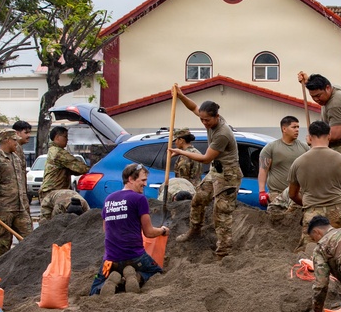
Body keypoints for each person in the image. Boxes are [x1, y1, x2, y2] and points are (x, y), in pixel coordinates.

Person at [167, 87, 241, 259]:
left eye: (207, 120)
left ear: (216, 116)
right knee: (199, 198)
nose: (204, 123)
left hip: (229, 174)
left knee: (221, 212)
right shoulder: (208, 117)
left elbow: (206, 158)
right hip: (216, 170)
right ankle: (195, 230)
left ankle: (223, 251)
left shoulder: (222, 133)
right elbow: (193, 107)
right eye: (202, 120)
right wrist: (181, 96)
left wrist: (180, 152)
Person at [90, 163, 170, 296]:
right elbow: (149, 233)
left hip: (110, 260)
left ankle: (113, 280)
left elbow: (106, 229)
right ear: (131, 179)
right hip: (135, 257)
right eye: (143, 180)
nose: (145, 184)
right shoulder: (139, 199)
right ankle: (137, 277)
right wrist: (162, 230)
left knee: (95, 287)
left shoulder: (109, 199)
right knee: (156, 272)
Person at [288, 120, 341, 242]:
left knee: (311, 254)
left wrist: (307, 203)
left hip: (313, 215)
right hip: (339, 212)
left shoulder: (298, 163)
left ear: (309, 137)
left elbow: (292, 194)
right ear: (329, 135)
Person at [0, 129, 33, 260]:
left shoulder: (16, 158)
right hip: (3, 210)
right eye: (15, 140)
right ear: (7, 140)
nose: (17, 143)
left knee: (30, 239)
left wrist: (25, 203)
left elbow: (21, 183)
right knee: (2, 245)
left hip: (20, 208)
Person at [298, 72, 341, 168]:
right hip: (336, 147)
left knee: (337, 181)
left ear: (327, 88)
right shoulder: (335, 88)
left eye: (318, 95)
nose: (316, 99)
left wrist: (315, 140)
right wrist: (307, 81)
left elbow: (335, 135)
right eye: (313, 96)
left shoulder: (335, 105)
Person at [257, 115, 308, 217]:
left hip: (297, 196)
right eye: (294, 127)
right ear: (284, 129)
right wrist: (262, 192)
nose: (297, 130)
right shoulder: (271, 148)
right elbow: (263, 170)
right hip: (277, 195)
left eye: (298, 127)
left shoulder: (304, 148)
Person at [39, 126, 90, 221]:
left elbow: (73, 170)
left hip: (50, 192)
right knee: (56, 222)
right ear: (57, 137)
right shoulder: (59, 153)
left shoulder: (53, 151)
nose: (67, 139)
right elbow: (80, 168)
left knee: (47, 224)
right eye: (65, 137)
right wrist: (92, 169)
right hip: (54, 192)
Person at [12, 119, 33, 199]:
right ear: (17, 133)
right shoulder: (15, 148)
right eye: (26, 133)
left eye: (29, 132)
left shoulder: (19, 147)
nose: (29, 135)